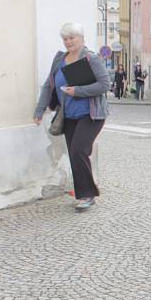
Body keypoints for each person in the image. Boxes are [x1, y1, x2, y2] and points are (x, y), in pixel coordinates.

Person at [33, 22, 111, 211]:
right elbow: (48, 85)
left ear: (81, 38)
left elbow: (105, 85)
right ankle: (83, 192)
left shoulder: (91, 59)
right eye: (65, 39)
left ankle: (87, 195)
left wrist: (78, 91)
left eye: (72, 38)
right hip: (68, 116)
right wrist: (39, 110)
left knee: (78, 150)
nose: (68, 42)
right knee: (75, 153)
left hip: (91, 115)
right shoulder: (60, 60)